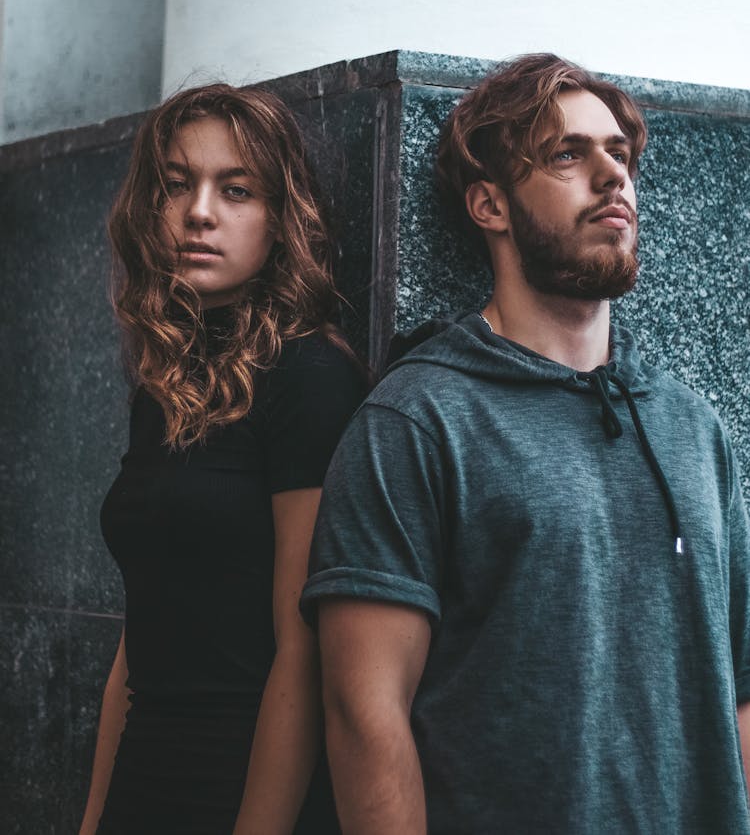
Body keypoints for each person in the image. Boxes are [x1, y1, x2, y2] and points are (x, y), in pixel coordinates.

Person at [300, 53, 750, 834]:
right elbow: (365, 716)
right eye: (569, 154)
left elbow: (739, 687)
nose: (613, 177)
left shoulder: (691, 426)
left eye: (621, 154)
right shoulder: (417, 419)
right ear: (490, 205)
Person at [79, 83, 365, 835]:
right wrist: (94, 816)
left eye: (235, 190)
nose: (198, 212)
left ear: (281, 221)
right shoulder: (165, 384)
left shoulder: (309, 377)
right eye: (176, 186)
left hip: (241, 784)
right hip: (145, 778)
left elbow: (301, 650)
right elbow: (134, 644)